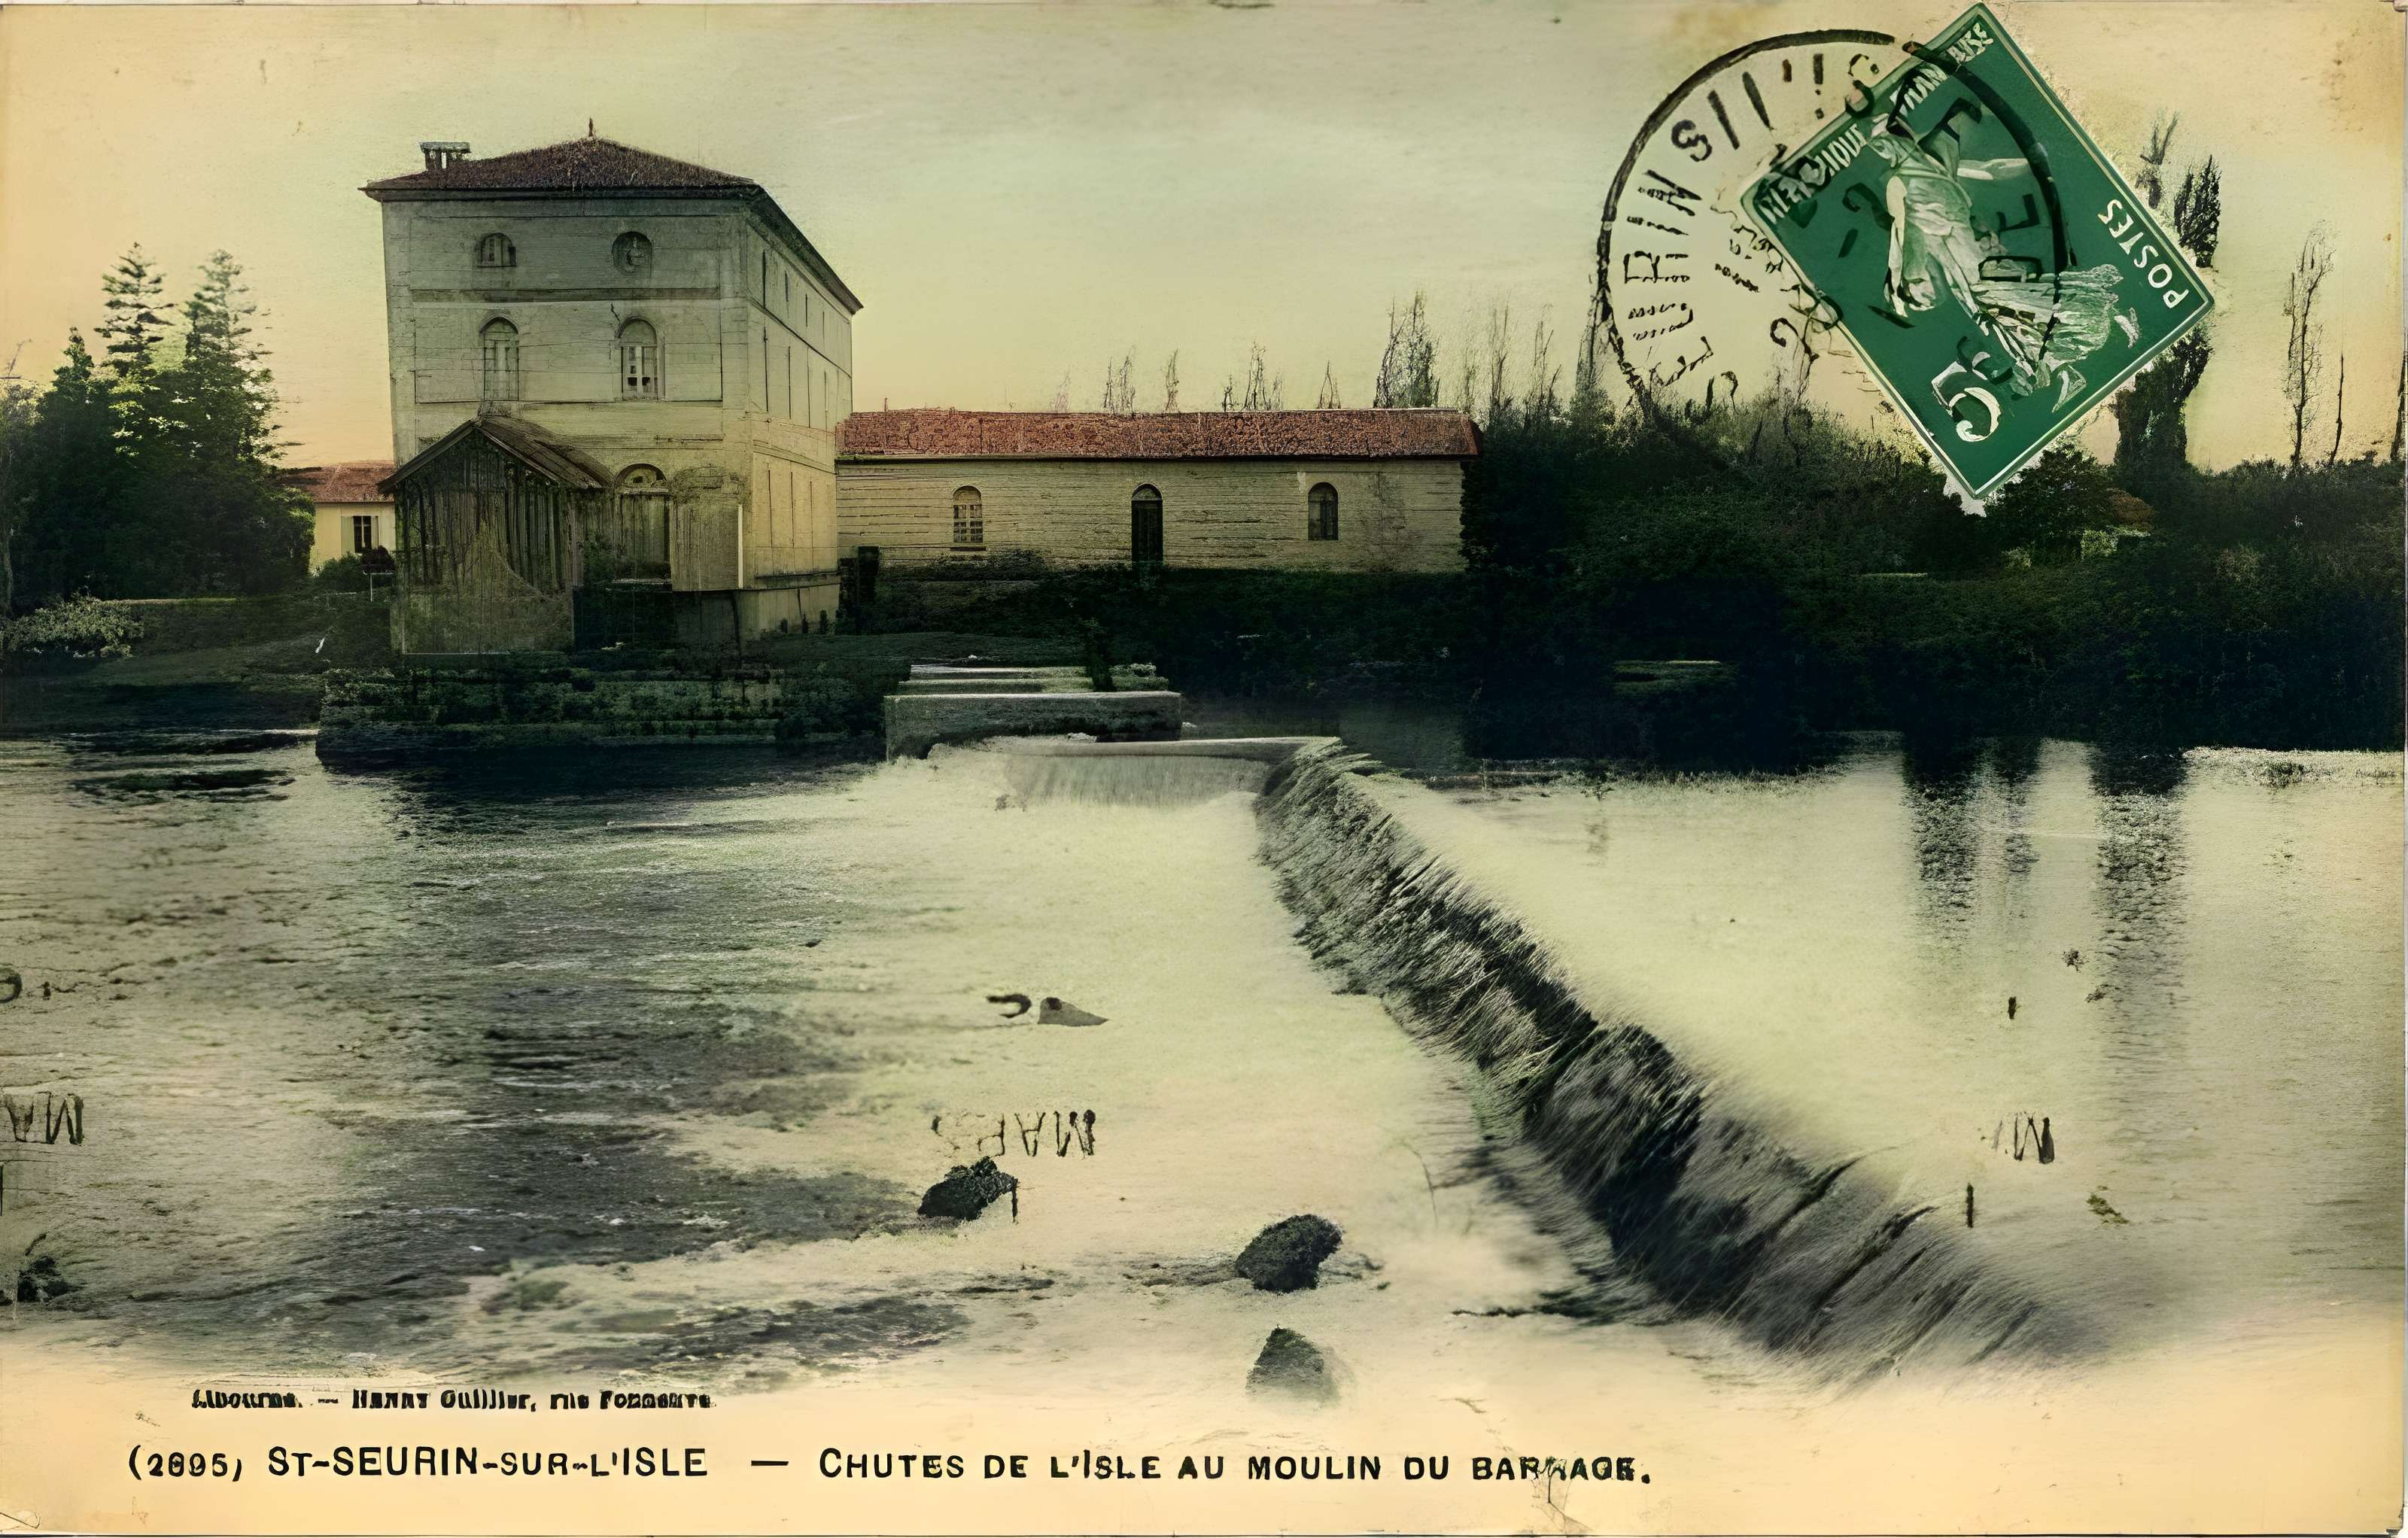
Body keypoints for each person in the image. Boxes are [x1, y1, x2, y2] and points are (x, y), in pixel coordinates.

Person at [1865, 117, 2140, 410]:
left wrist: (2031, 162)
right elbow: (1903, 231)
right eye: (1881, 144)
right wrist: (1896, 277)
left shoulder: (1925, 165)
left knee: (2026, 304)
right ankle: (2064, 368)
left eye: (1885, 141)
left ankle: (2105, 319)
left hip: (1976, 261)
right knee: (2017, 317)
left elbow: (1987, 172)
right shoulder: (1914, 171)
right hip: (1967, 264)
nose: (1886, 149)